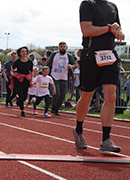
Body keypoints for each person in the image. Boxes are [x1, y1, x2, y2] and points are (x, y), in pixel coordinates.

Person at [74, 0, 125, 152]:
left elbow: (117, 28)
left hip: (109, 56)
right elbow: (87, 30)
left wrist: (118, 31)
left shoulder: (112, 6)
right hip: (90, 55)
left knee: (111, 96)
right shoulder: (88, 4)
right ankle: (78, 129)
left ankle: (106, 139)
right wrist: (109, 29)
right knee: (87, 96)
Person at [46, 41, 75, 116]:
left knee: (62, 95)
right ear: (59, 47)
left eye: (64, 47)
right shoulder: (54, 54)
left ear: (66, 47)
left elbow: (74, 64)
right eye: (61, 47)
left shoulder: (68, 55)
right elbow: (48, 63)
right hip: (54, 76)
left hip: (64, 77)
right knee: (57, 93)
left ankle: (57, 109)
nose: (63, 48)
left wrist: (72, 66)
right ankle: (53, 106)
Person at [10, 46, 33, 117]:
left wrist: (31, 80)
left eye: (25, 51)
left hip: (26, 79)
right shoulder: (17, 62)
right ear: (19, 53)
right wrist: (13, 74)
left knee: (24, 96)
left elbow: (31, 71)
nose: (24, 53)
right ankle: (22, 110)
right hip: (18, 79)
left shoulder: (29, 62)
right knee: (20, 93)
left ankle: (19, 100)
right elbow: (11, 70)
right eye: (22, 51)